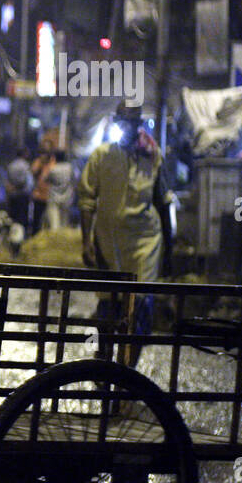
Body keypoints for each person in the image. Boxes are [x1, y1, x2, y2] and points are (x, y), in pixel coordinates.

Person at [78, 102, 175, 365]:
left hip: (144, 243)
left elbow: (163, 203)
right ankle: (103, 361)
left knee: (140, 305)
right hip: (108, 242)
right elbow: (86, 201)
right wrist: (86, 242)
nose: (127, 127)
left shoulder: (152, 156)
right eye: (123, 121)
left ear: (138, 124)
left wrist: (169, 249)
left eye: (132, 122)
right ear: (116, 122)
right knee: (108, 305)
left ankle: (128, 370)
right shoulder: (101, 155)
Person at [43, 148, 75, 230]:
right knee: (65, 222)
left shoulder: (53, 169)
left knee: (54, 223)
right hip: (67, 197)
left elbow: (45, 179)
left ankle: (55, 240)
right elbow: (75, 179)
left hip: (54, 197)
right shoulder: (70, 167)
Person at [4, 147, 34, 232]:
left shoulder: (11, 165)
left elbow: (7, 181)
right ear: (24, 154)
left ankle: (12, 236)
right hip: (23, 195)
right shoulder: (26, 165)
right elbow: (29, 182)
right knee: (22, 218)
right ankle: (21, 237)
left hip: (13, 195)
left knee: (13, 218)